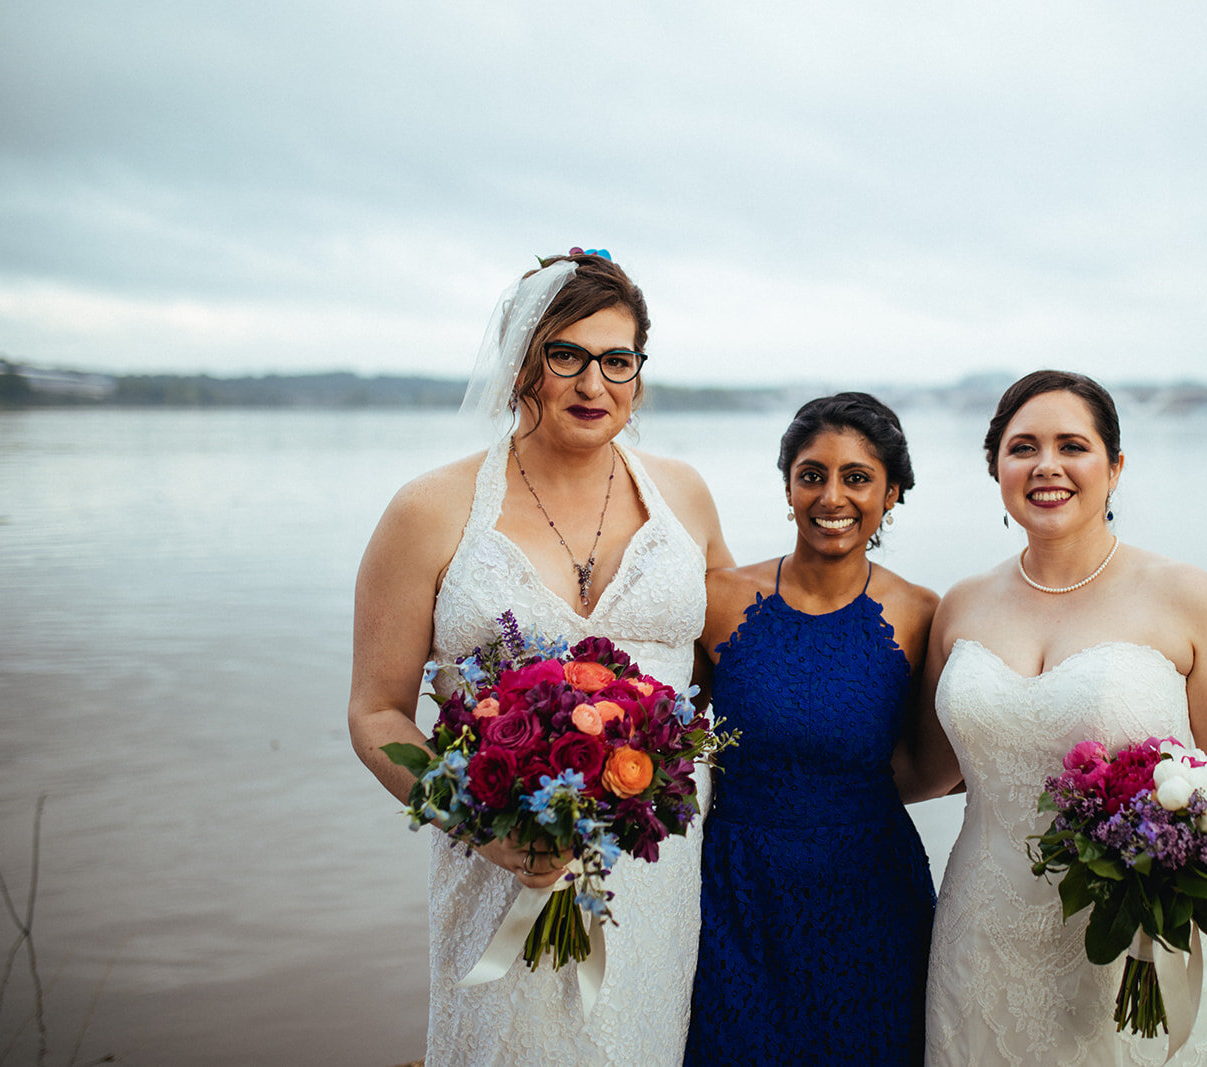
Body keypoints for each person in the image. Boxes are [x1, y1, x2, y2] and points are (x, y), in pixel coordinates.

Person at [347, 251, 732, 1066]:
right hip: (500, 859)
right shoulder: (430, 509)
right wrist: (485, 829)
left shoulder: (685, 496)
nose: (594, 384)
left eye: (617, 359)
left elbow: (730, 664)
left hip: (655, 864)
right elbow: (376, 711)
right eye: (568, 355)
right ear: (523, 360)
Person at [912, 370, 1207, 1066]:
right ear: (997, 468)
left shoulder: (1185, 596)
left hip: (1129, 932)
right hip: (984, 930)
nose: (1047, 465)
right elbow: (928, 767)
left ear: (1114, 466)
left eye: (1072, 445)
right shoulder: (962, 605)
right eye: (1023, 447)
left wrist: (1170, 857)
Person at [684, 393, 938, 1065]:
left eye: (857, 476)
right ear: (788, 485)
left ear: (893, 492)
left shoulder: (920, 612)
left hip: (872, 891)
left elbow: (935, 762)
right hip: (740, 892)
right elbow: (668, 740)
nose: (833, 495)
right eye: (812, 473)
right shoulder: (717, 598)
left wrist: (839, 799)